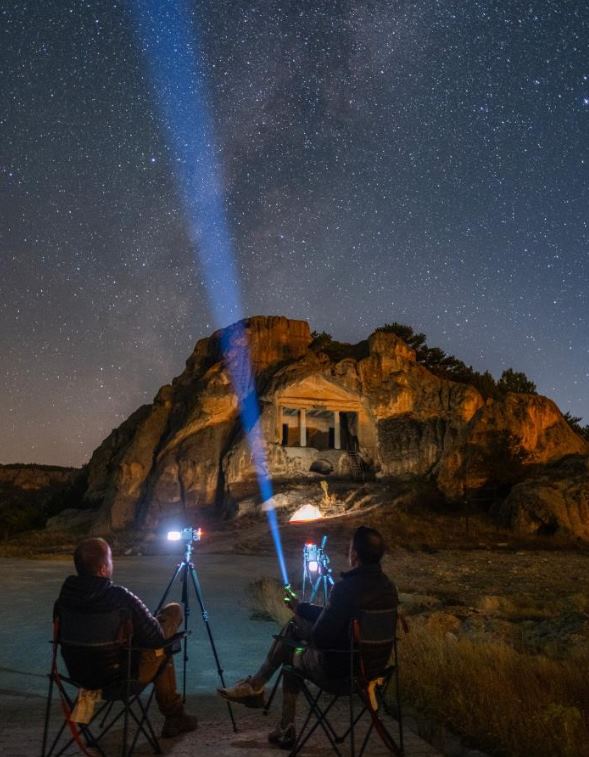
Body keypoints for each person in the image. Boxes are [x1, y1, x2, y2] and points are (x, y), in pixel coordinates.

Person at [218, 525, 399, 749]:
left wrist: (301, 625)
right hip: (374, 672)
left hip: (340, 674)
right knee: (296, 629)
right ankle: (257, 689)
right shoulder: (388, 588)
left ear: (354, 555)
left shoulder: (345, 590)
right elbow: (336, 618)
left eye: (350, 547)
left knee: (293, 655)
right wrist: (301, 608)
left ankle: (267, 702)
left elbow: (320, 639)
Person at [54, 537, 198, 739]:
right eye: (111, 560)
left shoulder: (64, 600)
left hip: (79, 677)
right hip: (119, 679)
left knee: (159, 646)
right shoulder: (119, 597)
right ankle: (175, 715)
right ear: (104, 569)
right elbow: (156, 637)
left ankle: (176, 715)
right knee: (168, 633)